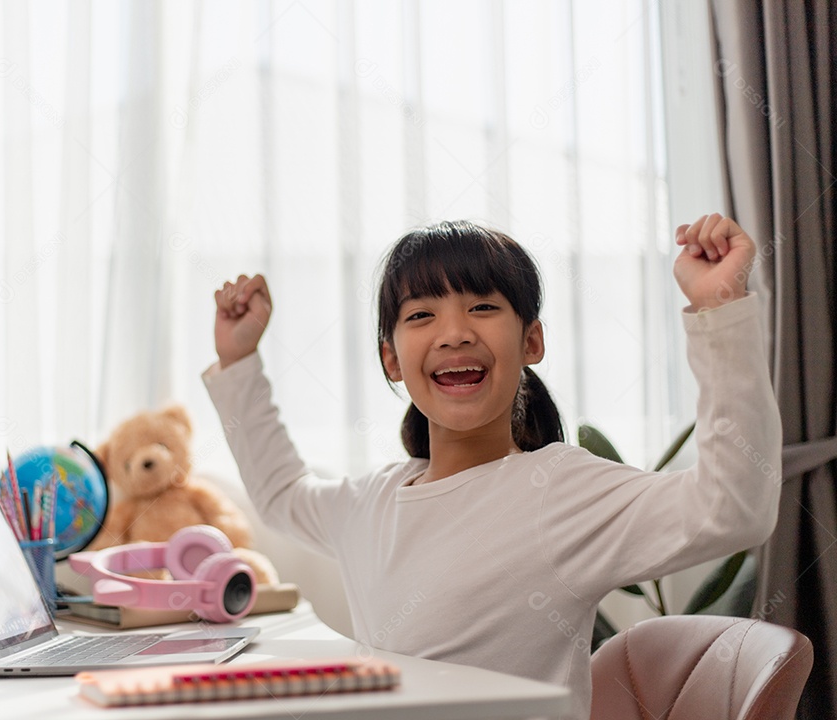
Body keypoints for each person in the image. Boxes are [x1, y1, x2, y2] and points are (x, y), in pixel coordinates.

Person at [203, 215, 780, 720]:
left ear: (531, 341)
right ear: (391, 358)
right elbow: (281, 494)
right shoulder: (371, 501)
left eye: (482, 307)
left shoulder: (558, 491)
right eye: (422, 314)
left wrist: (718, 310)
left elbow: (731, 509)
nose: (455, 332)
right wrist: (238, 361)